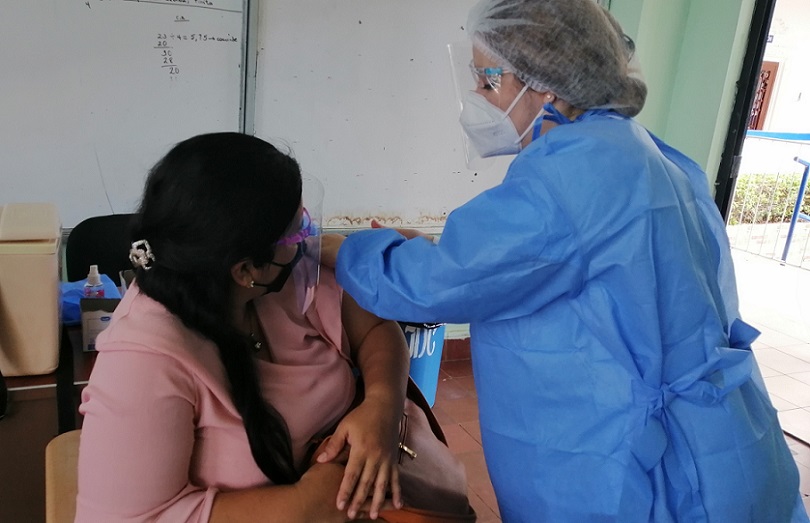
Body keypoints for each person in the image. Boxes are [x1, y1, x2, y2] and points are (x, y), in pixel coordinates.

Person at [321, 0, 809, 521]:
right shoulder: (641, 151)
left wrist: (336, 249)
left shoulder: (569, 175)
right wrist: (436, 252)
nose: (478, 96)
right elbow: (542, 262)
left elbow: (435, 285)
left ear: (545, 83)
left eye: (488, 80)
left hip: (644, 472)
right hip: (722, 443)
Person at [75, 132, 412, 522]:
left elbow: (375, 330)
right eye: (296, 230)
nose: (307, 240)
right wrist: (303, 505)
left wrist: (383, 405)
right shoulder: (143, 361)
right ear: (246, 270)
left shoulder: (283, 279)